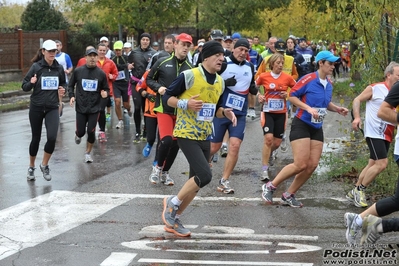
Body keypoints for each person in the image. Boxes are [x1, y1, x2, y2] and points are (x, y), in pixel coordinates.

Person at [161, 40, 237, 237]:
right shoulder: (189, 75)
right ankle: (172, 203)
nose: (221, 59)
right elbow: (166, 98)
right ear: (206, 57)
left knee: (197, 183)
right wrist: (185, 104)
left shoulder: (220, 81)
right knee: (205, 176)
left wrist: (225, 113)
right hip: (186, 133)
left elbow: (216, 109)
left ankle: (174, 219)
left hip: (205, 134)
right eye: (217, 55)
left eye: (222, 56)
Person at [261, 51, 348, 207]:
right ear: (321, 63)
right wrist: (307, 108)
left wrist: (337, 108)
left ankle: (289, 194)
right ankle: (270, 186)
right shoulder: (308, 79)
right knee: (300, 163)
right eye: (330, 63)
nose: (333, 66)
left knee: (312, 165)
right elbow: (292, 96)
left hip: (317, 127)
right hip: (301, 124)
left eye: (334, 64)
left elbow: (325, 103)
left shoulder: (328, 84)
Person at [345, 76, 399, 245]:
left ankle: (364, 221)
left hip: (385, 134)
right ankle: (359, 194)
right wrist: (356, 117)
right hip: (375, 132)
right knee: (379, 164)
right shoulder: (381, 88)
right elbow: (382, 111)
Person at [209, 38, 257, 194]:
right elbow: (209, 82)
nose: (243, 53)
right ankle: (200, 165)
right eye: (240, 49)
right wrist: (223, 83)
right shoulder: (223, 64)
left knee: (235, 146)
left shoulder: (250, 67)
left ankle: (224, 181)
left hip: (239, 113)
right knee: (214, 147)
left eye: (246, 51)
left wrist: (254, 89)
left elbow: (250, 85)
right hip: (221, 112)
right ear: (234, 49)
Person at [146, 33, 194, 186]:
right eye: (183, 44)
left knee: (175, 144)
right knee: (166, 140)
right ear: (175, 44)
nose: (185, 48)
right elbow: (148, 79)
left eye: (188, 45)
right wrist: (158, 87)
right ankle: (157, 168)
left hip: (181, 111)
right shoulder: (162, 62)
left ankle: (165, 173)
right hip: (164, 108)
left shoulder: (191, 69)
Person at [23, 40, 66, 181]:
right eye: (50, 51)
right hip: (36, 107)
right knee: (36, 138)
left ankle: (44, 164)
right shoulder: (36, 67)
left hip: (52, 107)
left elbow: (63, 83)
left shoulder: (58, 68)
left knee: (52, 137)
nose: (52, 53)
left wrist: (63, 89)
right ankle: (31, 167)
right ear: (43, 52)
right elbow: (24, 86)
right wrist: (32, 83)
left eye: (54, 51)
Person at [256, 53, 296, 182]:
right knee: (268, 139)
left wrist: (287, 94)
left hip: (281, 113)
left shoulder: (287, 78)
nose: (280, 65)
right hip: (267, 112)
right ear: (272, 64)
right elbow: (253, 87)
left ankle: (270, 153)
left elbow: (298, 90)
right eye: (278, 63)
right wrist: (259, 96)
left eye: (282, 63)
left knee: (277, 143)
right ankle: (264, 169)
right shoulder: (263, 76)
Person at [68, 48, 109, 163]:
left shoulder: (101, 73)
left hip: (94, 108)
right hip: (81, 107)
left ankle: (88, 153)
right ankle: (78, 134)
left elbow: (106, 88)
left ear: (97, 58)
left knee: (91, 131)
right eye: (90, 56)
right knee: (81, 132)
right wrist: (71, 96)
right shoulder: (78, 71)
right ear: (85, 57)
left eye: (94, 56)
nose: (92, 58)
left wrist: (104, 93)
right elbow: (71, 85)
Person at [130, 33, 157, 142]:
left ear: (149, 41)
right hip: (136, 82)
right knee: (137, 107)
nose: (145, 41)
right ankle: (137, 131)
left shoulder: (154, 54)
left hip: (148, 83)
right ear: (140, 41)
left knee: (146, 108)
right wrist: (128, 66)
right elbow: (128, 64)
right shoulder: (134, 52)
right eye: (143, 39)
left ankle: (146, 130)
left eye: (147, 40)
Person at [96, 43, 118, 142]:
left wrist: (112, 77)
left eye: (103, 50)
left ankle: (102, 131)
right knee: (94, 111)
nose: (102, 52)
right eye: (100, 50)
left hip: (105, 91)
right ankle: (92, 128)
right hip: (93, 91)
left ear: (106, 51)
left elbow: (115, 73)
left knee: (101, 110)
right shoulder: (93, 61)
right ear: (97, 50)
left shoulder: (110, 62)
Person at [111, 41, 133, 129]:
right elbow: (115, 67)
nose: (117, 52)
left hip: (125, 84)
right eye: (116, 50)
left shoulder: (126, 58)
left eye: (119, 50)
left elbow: (129, 65)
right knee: (117, 102)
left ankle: (128, 109)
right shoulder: (112, 59)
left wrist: (127, 66)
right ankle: (120, 120)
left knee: (126, 104)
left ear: (122, 50)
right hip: (116, 84)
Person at [55, 40, 73, 118]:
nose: (57, 47)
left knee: (59, 97)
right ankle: (60, 105)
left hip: (63, 81)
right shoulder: (51, 56)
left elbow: (71, 66)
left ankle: (57, 116)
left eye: (58, 45)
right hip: (53, 81)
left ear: (61, 46)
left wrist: (68, 71)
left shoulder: (65, 56)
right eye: (55, 46)